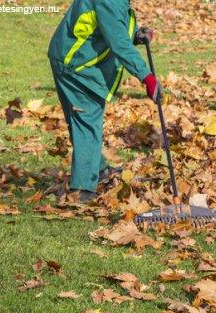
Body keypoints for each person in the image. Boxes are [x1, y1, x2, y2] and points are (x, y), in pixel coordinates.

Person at [47, 0, 161, 202]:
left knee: (83, 119)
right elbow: (118, 43)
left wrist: (134, 34)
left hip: (70, 56)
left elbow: (109, 25)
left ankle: (98, 169)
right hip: (75, 65)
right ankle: (82, 188)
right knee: (87, 119)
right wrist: (147, 77)